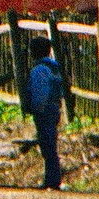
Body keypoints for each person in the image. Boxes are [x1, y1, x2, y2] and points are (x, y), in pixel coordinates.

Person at [22, 36, 67, 190]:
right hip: (54, 108)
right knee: (50, 144)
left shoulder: (39, 70)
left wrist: (36, 108)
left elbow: (40, 93)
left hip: (44, 111)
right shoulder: (54, 67)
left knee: (47, 146)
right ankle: (53, 178)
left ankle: (52, 180)